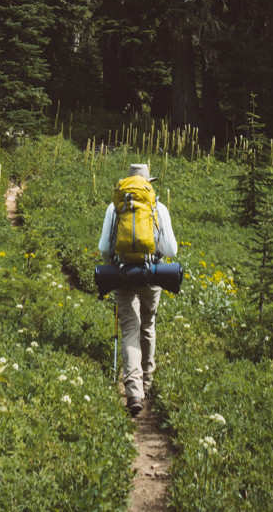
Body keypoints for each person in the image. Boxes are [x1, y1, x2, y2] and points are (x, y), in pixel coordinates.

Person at [98, 164, 178, 417]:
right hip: (153, 273)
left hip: (122, 274)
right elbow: (171, 249)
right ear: (148, 182)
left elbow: (104, 247)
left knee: (130, 328)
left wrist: (114, 266)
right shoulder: (157, 207)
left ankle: (133, 391)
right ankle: (147, 382)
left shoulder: (115, 207)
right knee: (148, 325)